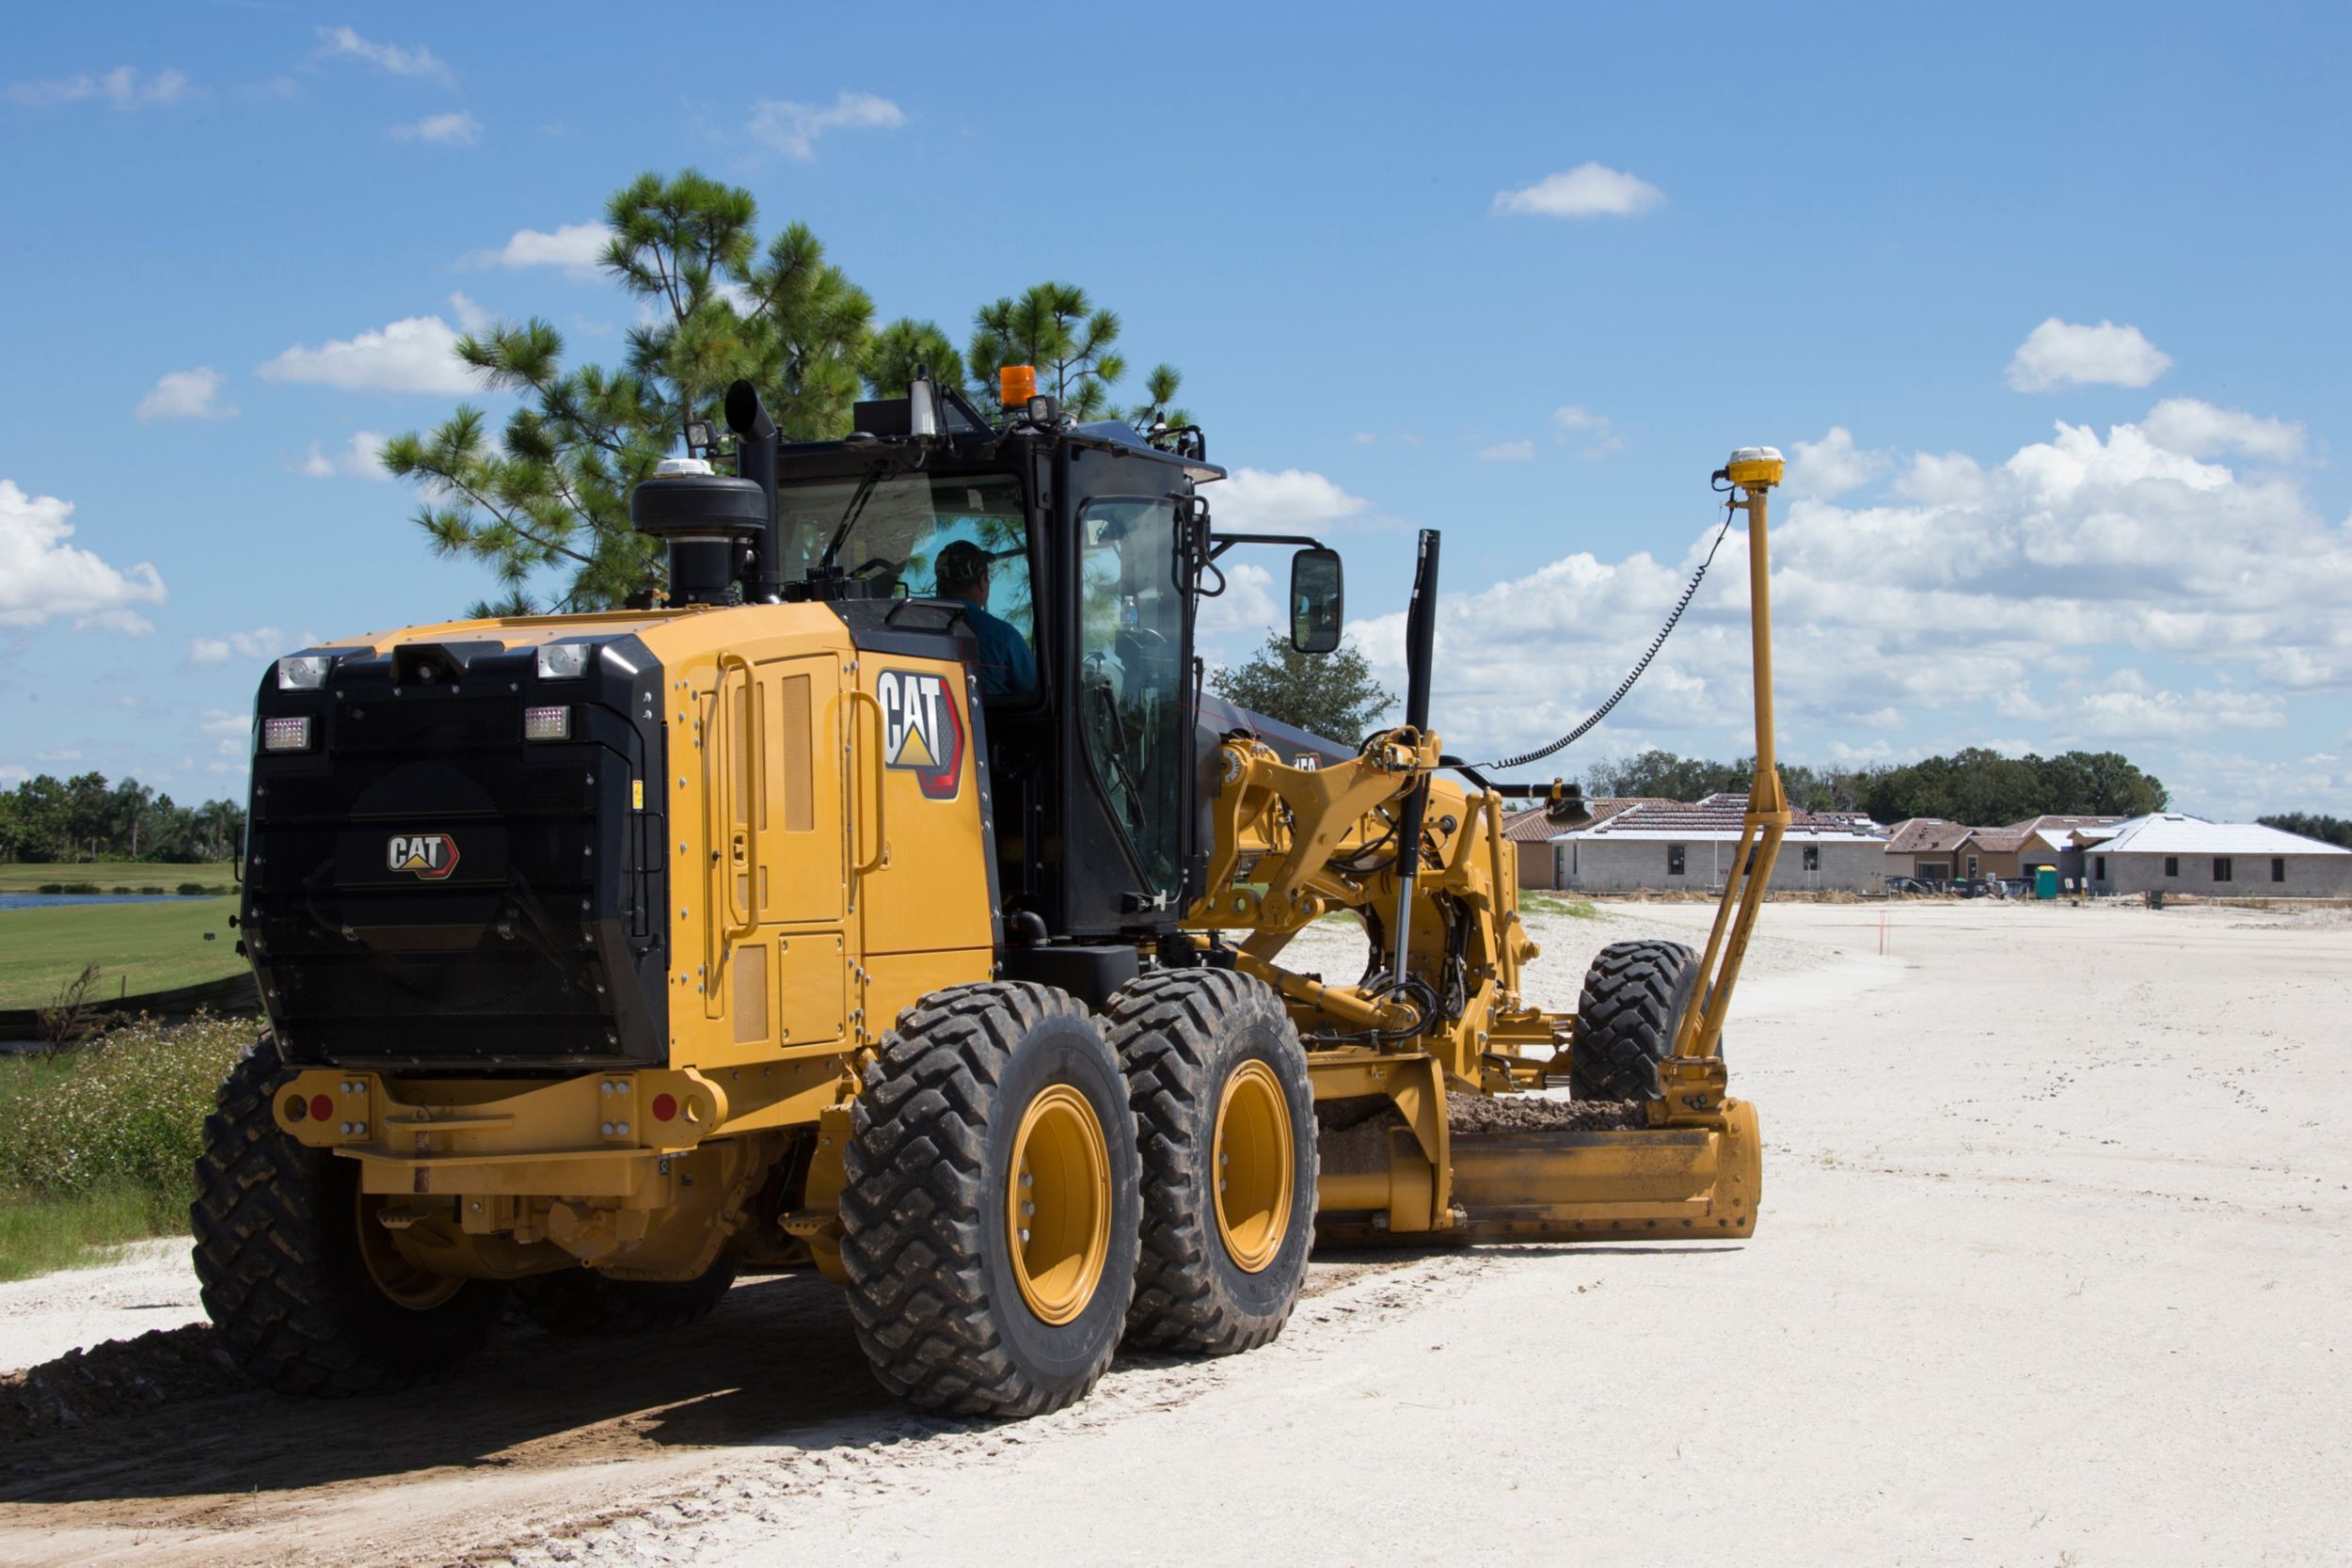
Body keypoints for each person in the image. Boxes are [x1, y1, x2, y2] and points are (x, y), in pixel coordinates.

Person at [932, 540, 1036, 699]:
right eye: (988, 578)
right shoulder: (1003, 637)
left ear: (939, 585)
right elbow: (1034, 693)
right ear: (982, 582)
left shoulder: (904, 621)